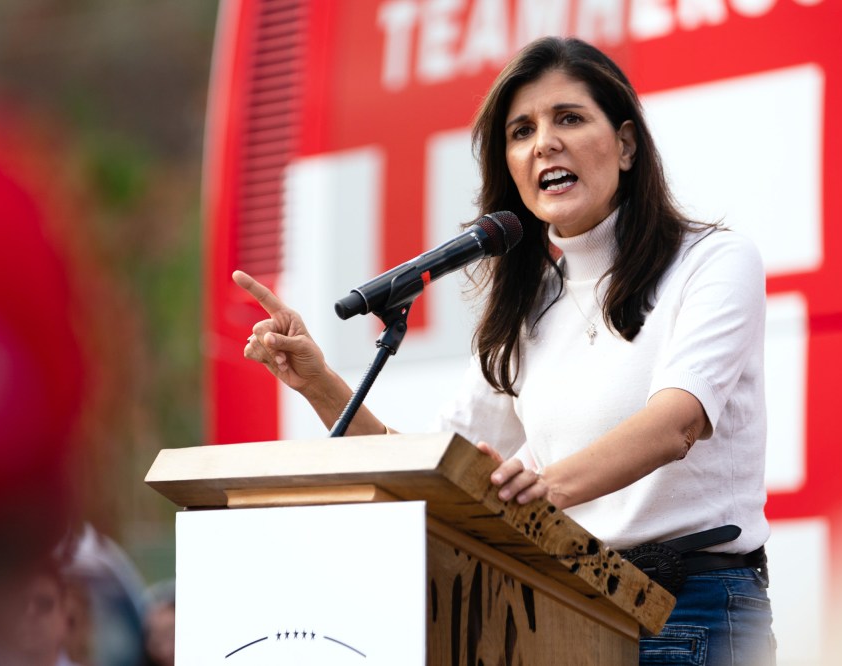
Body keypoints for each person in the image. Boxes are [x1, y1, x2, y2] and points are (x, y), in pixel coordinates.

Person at [235, 36, 773, 665]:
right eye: (522, 131)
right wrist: (318, 382)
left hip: (689, 612)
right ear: (511, 169)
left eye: (568, 118)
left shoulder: (712, 262)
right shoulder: (530, 310)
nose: (544, 143)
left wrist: (542, 489)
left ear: (626, 145)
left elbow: (675, 422)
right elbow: (427, 469)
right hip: (568, 610)